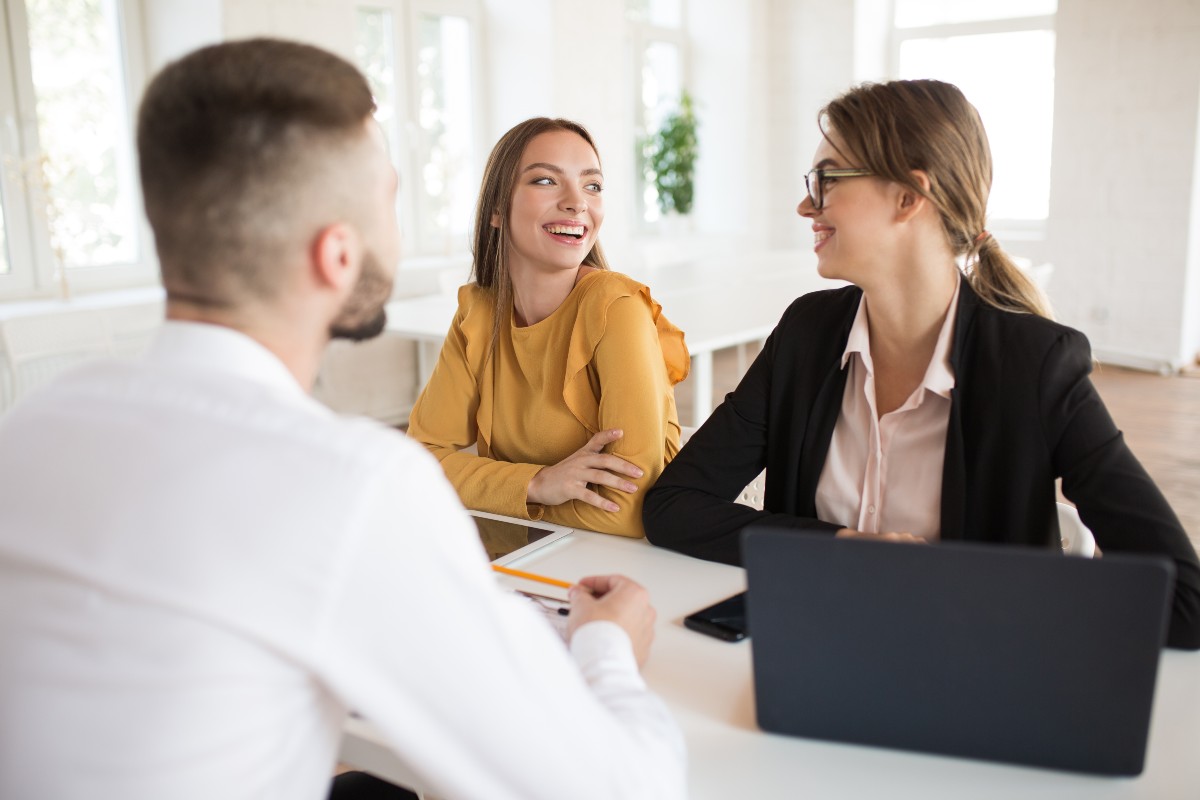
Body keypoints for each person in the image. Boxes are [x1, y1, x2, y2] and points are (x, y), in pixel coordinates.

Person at [0, 39, 686, 800]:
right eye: (387, 197)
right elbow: (624, 785)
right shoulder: (353, 486)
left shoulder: (35, 424)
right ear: (337, 254)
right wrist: (606, 648)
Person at [643, 79, 1200, 651]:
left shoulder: (1036, 368)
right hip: (809, 653)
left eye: (828, 180)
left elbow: (1185, 603)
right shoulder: (806, 334)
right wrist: (839, 545)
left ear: (909, 195)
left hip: (967, 677)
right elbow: (674, 507)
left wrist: (966, 591)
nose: (807, 204)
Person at [407, 117, 689, 538]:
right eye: (545, 181)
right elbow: (419, 460)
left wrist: (499, 496)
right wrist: (538, 484)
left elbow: (628, 512)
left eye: (592, 186)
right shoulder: (478, 312)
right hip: (527, 566)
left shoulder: (617, 308)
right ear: (497, 210)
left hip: (620, 572)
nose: (578, 203)